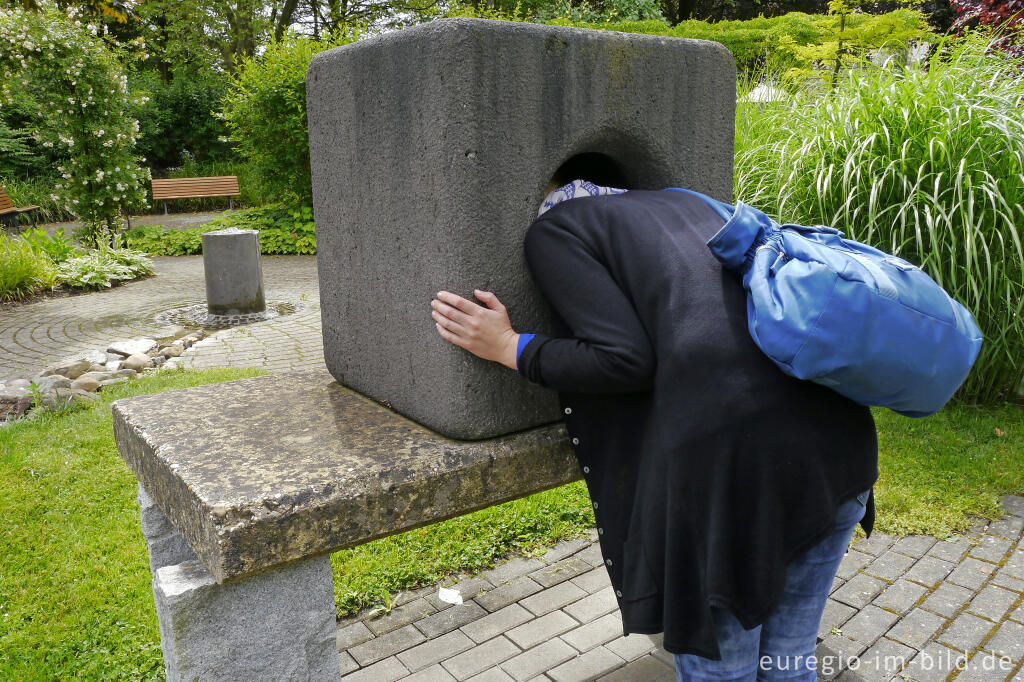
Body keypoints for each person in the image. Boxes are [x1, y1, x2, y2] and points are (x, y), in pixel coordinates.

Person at [429, 171, 878, 681]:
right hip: (840, 445)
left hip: (737, 489)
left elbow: (625, 359)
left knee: (724, 671)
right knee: (789, 658)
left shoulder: (557, 226)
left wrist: (510, 346)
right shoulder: (698, 209)